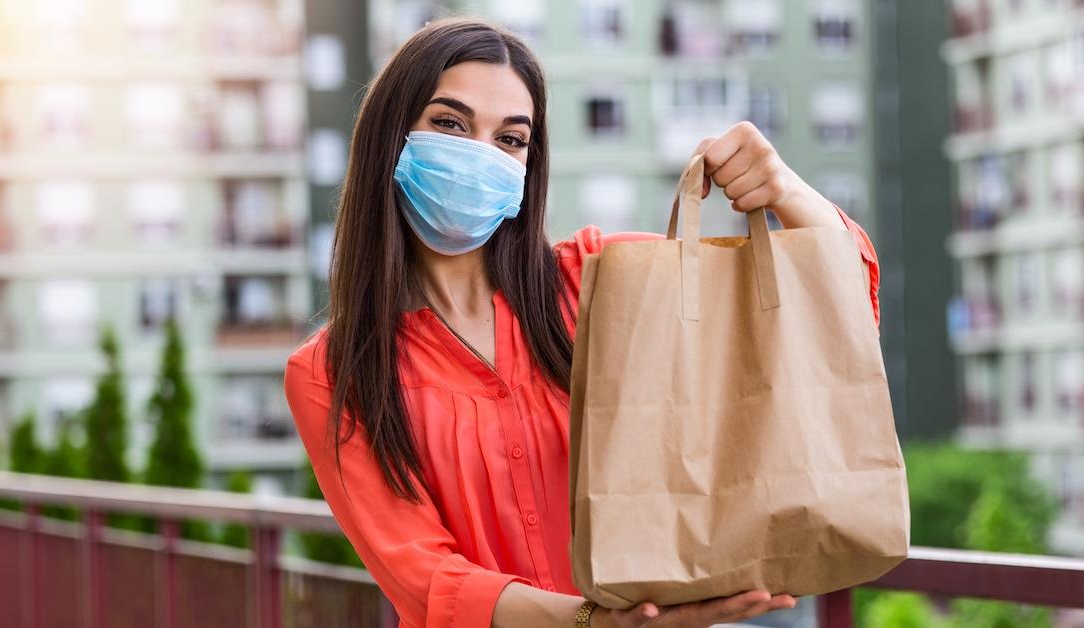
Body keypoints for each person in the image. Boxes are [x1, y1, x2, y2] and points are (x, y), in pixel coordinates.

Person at [284, 17, 881, 628]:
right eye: (450, 124)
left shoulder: (598, 279)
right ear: (392, 137)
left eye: (511, 139)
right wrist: (594, 622)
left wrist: (785, 189)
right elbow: (425, 579)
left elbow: (835, 307)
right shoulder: (330, 374)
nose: (480, 154)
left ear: (528, 165)